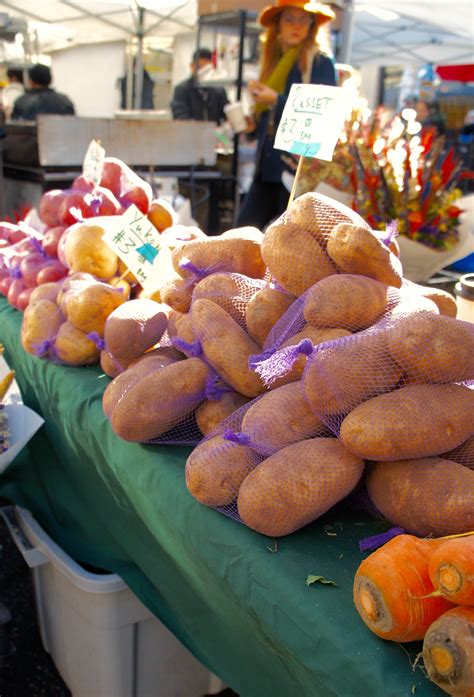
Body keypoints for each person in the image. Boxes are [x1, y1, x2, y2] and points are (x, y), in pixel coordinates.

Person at [236, 0, 336, 230]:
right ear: (278, 25)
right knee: (240, 232)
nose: (296, 26)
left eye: (303, 19)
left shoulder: (320, 62)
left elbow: (324, 116)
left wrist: (276, 100)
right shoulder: (275, 62)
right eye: (290, 19)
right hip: (267, 168)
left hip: (297, 169)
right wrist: (254, 124)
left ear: (312, 26)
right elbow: (270, 121)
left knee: (289, 241)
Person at [170, 48, 228, 124]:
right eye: (199, 67)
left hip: (214, 134)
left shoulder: (218, 90)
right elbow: (181, 118)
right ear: (192, 66)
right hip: (191, 134)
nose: (202, 72)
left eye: (206, 69)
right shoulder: (182, 90)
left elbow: (227, 113)